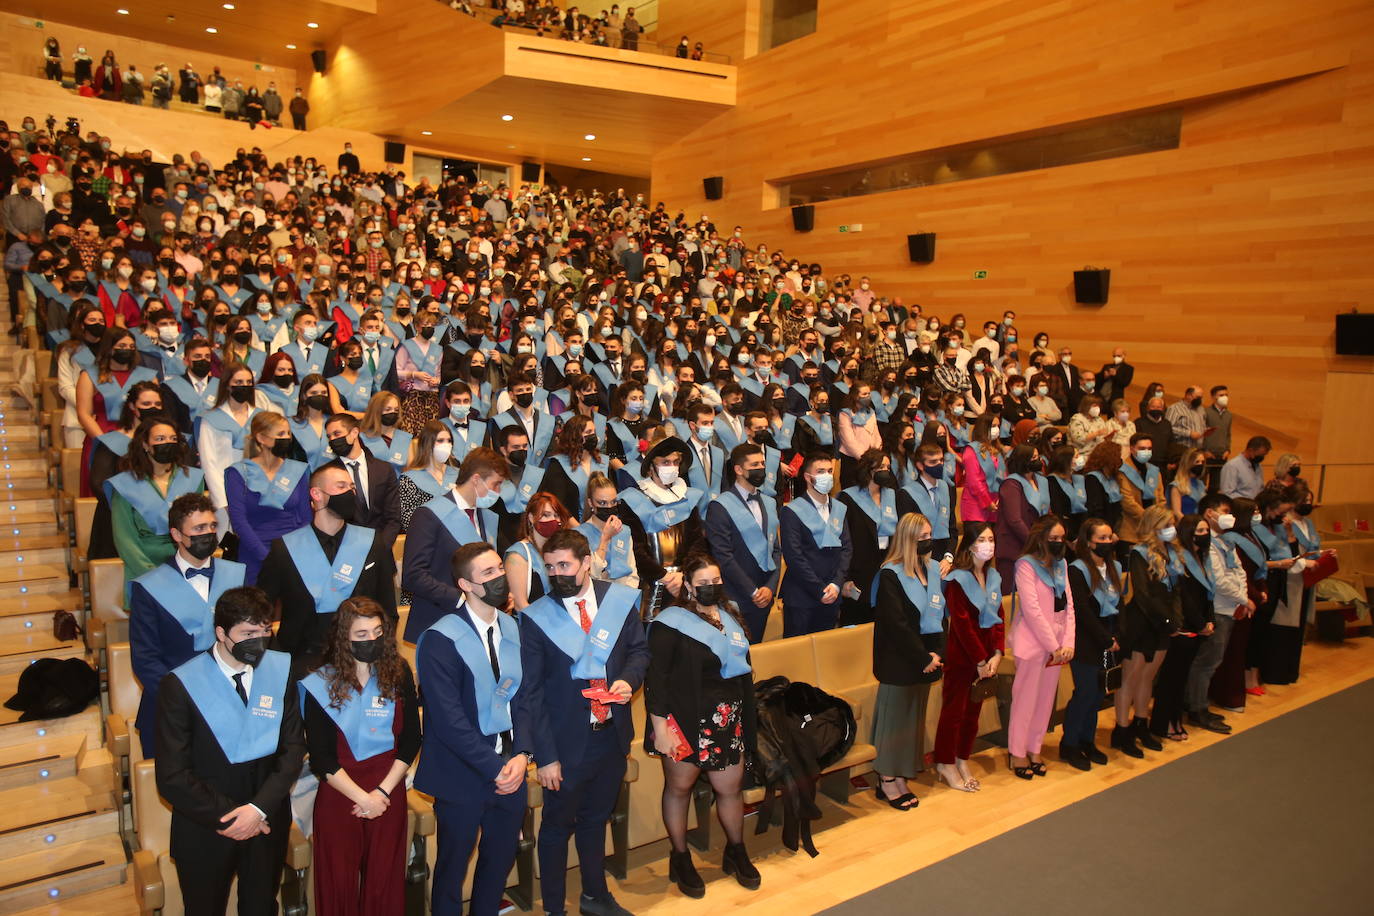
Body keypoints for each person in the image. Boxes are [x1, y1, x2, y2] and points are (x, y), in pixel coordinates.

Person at [153, 586, 306, 915]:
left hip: (267, 823)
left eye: (265, 630)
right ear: (221, 633)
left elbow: (293, 749)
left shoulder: (279, 670)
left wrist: (258, 809)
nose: (260, 640)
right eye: (248, 633)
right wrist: (235, 816)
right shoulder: (179, 685)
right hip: (206, 829)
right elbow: (172, 776)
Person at [520, 529, 649, 916]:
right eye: (549, 566)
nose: (556, 573)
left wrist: (629, 679)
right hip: (563, 745)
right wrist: (545, 757)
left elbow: (639, 651)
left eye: (565, 565)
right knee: (557, 829)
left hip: (611, 735)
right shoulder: (537, 618)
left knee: (596, 820)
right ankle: (555, 909)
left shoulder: (619, 601)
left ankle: (595, 897)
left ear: (587, 562)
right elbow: (531, 694)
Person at [414, 543, 532, 915]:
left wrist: (522, 754)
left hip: (511, 766)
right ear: (466, 584)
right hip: (462, 771)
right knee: (453, 866)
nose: (500, 578)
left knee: (499, 861)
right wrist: (496, 767)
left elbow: (526, 699)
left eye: (499, 568)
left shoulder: (513, 627)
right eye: (488, 574)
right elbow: (449, 721)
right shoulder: (440, 638)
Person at [646, 553, 760, 897]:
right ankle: (680, 857)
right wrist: (661, 728)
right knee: (678, 790)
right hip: (682, 721)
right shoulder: (670, 621)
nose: (712, 588)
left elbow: (743, 670)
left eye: (716, 581)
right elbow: (657, 680)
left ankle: (735, 850)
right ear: (689, 587)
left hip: (726, 719)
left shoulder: (731, 617)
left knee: (730, 789)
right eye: (704, 584)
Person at [302, 597, 419, 916]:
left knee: (385, 882)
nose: (373, 640)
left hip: (387, 791)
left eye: (378, 632)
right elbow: (322, 758)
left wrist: (381, 793)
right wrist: (363, 799)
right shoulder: (322, 682)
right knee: (339, 884)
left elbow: (410, 740)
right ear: (344, 638)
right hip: (341, 795)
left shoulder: (398, 672)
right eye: (362, 635)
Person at [129, 493, 246, 758]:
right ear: (177, 534)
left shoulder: (236, 574)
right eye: (199, 529)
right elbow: (146, 661)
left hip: (230, 701)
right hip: (175, 707)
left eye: (212, 527)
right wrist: (186, 700)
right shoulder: (148, 588)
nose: (208, 534)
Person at [257, 464, 398, 671]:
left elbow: (387, 608)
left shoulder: (372, 542)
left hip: (363, 660)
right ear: (316, 494)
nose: (350, 493)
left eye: (352, 487)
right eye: (341, 486)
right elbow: (261, 611)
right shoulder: (284, 549)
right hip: (302, 662)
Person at [870, 513, 947, 806]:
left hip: (928, 657)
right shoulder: (890, 574)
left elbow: (941, 614)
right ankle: (887, 778)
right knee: (895, 721)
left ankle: (901, 775)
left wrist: (938, 653)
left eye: (930, 535)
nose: (929, 541)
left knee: (912, 721)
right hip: (900, 659)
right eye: (922, 537)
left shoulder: (934, 570)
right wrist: (921, 657)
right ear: (907, 539)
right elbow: (896, 624)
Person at [402, 448, 509, 640]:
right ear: (476, 479)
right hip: (440, 619)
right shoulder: (428, 514)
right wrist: (459, 598)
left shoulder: (488, 517)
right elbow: (413, 575)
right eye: (496, 484)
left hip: (481, 622)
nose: (498, 492)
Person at [933, 523, 1003, 791]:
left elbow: (999, 618)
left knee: (973, 712)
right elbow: (961, 625)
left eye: (992, 539)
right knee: (954, 712)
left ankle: (962, 758)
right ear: (971, 545)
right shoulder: (957, 580)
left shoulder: (994, 576)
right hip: (964, 656)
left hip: (987, 655)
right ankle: (945, 763)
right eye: (983, 539)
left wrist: (996, 653)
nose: (989, 544)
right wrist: (981, 660)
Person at [1007, 516, 1075, 778]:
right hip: (1034, 643)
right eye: (1053, 539)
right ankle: (1017, 752)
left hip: (1057, 645)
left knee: (1046, 701)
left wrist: (1067, 642)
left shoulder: (1062, 565)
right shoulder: (1026, 565)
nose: (1058, 544)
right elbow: (1032, 610)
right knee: (1025, 701)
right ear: (1041, 538)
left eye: (1061, 539)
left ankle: (1035, 748)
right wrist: (1052, 645)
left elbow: (1069, 605)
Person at [105, 415, 206, 585]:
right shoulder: (124, 484)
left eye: (173, 439)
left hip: (187, 562)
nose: (168, 443)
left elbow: (199, 528)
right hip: (142, 565)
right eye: (160, 439)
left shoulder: (193, 478)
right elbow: (125, 540)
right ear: (145, 445)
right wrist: (155, 577)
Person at [1112, 505, 1179, 758]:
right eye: (1165, 526)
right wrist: (1165, 621)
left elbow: (1175, 591)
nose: (1170, 530)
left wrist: (1174, 621)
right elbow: (1143, 594)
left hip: (1163, 623)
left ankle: (1141, 723)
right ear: (1153, 528)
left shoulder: (1172, 554)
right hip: (1142, 623)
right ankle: (1122, 729)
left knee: (1147, 678)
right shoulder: (1139, 554)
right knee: (1130, 678)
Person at [620, 431, 705, 618]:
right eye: (665, 462)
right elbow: (635, 548)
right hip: (649, 583)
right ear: (651, 467)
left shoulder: (688, 496)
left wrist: (684, 575)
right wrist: (664, 577)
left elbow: (697, 542)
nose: (672, 467)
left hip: (685, 581)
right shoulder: (631, 500)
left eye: (675, 462)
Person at [703, 443, 781, 641]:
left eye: (763, 463)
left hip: (765, 595)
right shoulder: (720, 506)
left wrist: (770, 588)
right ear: (738, 469)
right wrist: (752, 591)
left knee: (756, 651)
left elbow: (776, 550)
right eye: (754, 465)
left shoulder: (770, 503)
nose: (761, 469)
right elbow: (723, 556)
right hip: (736, 596)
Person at [1147, 514, 1214, 742]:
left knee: (1181, 680)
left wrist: (1209, 620)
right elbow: (1184, 595)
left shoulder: (1202, 557)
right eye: (1200, 531)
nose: (1205, 535)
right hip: (1181, 625)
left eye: (1207, 530)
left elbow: (1208, 593)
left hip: (1199, 624)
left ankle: (1175, 720)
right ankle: (1162, 723)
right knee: (1170, 680)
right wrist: (1200, 623)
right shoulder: (1181, 557)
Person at [224, 411, 311, 584]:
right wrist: (266, 556)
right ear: (262, 438)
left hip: (294, 553)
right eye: (280, 434)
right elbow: (239, 522)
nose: (286, 438)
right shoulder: (238, 472)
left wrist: (293, 553)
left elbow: (306, 517)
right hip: (255, 551)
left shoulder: (298, 470)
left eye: (288, 433)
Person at [1062, 518, 1122, 769]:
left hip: (1111, 637)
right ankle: (1070, 744)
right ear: (1089, 542)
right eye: (1102, 539)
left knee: (1099, 694)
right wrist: (1105, 638)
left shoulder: (1115, 566)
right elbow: (1082, 611)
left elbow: (1121, 605)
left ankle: (1088, 741)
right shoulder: (1077, 569)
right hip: (1088, 639)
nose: (1107, 542)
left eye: (1110, 538)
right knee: (1085, 693)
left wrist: (1118, 636)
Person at [779, 452, 852, 636]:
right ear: (807, 477)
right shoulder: (792, 511)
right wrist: (819, 589)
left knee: (824, 653)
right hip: (802, 596)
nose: (826, 476)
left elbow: (846, 549)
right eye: (820, 471)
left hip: (832, 594)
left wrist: (836, 584)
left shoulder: (839, 508)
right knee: (798, 657)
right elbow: (794, 557)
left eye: (829, 471)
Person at [838, 448, 910, 626]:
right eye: (880, 467)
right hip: (859, 568)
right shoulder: (847, 498)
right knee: (858, 621)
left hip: (887, 564)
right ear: (867, 469)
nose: (885, 471)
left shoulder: (893, 495)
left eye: (887, 467)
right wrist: (844, 578)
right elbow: (842, 541)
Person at [324, 412, 403, 546]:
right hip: (345, 547)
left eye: (337, 434)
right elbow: (328, 519)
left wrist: (381, 548)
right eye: (329, 436)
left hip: (382, 546)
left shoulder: (384, 469)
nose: (332, 440)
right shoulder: (328, 474)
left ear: (354, 432)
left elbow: (393, 517)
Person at [504, 492, 573, 609]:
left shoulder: (559, 550)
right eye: (546, 515)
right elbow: (520, 605)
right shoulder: (517, 555)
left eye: (556, 515)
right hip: (533, 623)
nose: (553, 520)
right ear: (531, 518)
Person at [994, 444, 1047, 590]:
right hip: (1015, 546)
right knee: (1012, 594)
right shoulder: (1011, 484)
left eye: (1038, 457)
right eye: (1034, 458)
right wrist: (1034, 542)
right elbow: (1014, 520)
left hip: (1038, 545)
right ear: (1024, 461)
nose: (1038, 461)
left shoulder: (1041, 480)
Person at [543, 414, 610, 524]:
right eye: (588, 432)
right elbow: (558, 505)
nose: (593, 436)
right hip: (574, 529)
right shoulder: (558, 465)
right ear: (575, 436)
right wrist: (580, 530)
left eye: (594, 432)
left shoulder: (603, 462)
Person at [579, 474, 641, 590]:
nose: (609, 507)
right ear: (591, 503)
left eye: (613, 502)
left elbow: (632, 573)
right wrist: (605, 539)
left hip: (623, 596)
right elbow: (589, 576)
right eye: (602, 503)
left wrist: (627, 596)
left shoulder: (623, 530)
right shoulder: (579, 535)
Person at [398, 420, 459, 529]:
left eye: (449, 441)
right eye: (440, 441)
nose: (446, 445)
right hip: (427, 538)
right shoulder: (409, 480)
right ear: (427, 443)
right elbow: (408, 522)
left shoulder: (458, 475)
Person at [1117, 432, 1163, 549]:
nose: (1146, 452)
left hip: (1153, 532)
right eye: (1142, 448)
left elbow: (1161, 499)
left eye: (1149, 449)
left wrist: (1157, 519)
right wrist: (1148, 519)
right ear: (1132, 449)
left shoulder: (1154, 471)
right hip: (1130, 531)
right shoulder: (1121, 471)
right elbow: (1127, 502)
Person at [1219, 435, 1270, 500]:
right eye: (1260, 455)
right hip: (1240, 507)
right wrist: (1246, 504)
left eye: (1263, 455)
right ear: (1250, 450)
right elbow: (1227, 493)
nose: (1262, 458)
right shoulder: (1232, 466)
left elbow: (1260, 489)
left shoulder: (1258, 466)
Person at [1167, 447, 1208, 518]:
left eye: (1202, 462)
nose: (1200, 464)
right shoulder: (1176, 486)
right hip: (1185, 525)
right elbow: (1177, 513)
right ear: (1188, 463)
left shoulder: (1201, 484)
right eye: (1197, 462)